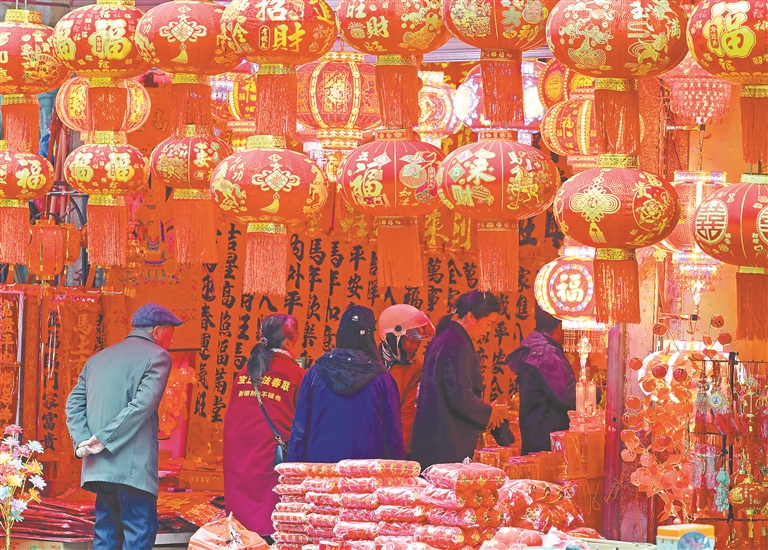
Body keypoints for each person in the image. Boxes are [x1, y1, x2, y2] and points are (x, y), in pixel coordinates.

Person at [65, 303, 183, 550]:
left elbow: (73, 404)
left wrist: (84, 441)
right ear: (157, 331)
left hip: (99, 469)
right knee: (138, 532)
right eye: (171, 332)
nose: (172, 340)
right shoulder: (158, 356)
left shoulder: (97, 359)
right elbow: (142, 405)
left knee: (106, 534)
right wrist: (104, 439)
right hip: (132, 470)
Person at [223, 314, 304, 543]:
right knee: (270, 523)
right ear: (288, 341)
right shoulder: (296, 374)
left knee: (243, 526)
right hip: (271, 458)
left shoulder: (246, 370)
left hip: (239, 456)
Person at [289, 305, 405, 463]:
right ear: (370, 337)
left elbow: (300, 431)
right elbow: (394, 436)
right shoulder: (383, 379)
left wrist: (293, 469)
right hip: (367, 472)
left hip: (320, 471)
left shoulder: (314, 374)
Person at [410, 291, 506, 470]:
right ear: (470, 317)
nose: (488, 330)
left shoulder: (447, 336)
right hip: (446, 442)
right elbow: (459, 396)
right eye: (488, 323)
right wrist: (488, 413)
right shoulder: (456, 343)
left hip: (436, 438)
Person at [506, 305, 576, 455]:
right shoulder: (546, 353)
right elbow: (568, 395)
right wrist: (594, 391)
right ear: (560, 327)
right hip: (545, 442)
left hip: (535, 436)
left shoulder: (536, 347)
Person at [378, 304, 435, 456]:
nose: (415, 347)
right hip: (366, 445)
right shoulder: (370, 361)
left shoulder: (416, 369)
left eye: (418, 341)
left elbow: (408, 414)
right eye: (410, 340)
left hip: (393, 450)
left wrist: (401, 453)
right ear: (392, 337)